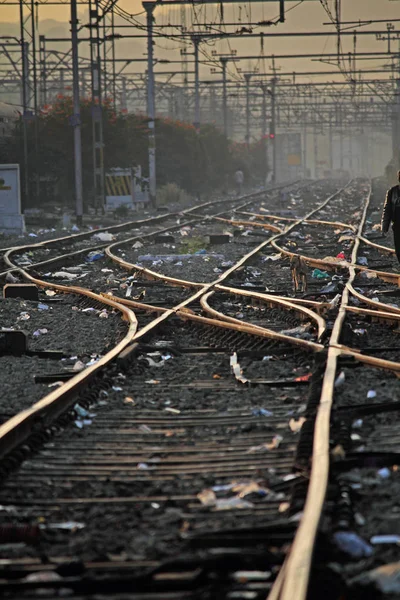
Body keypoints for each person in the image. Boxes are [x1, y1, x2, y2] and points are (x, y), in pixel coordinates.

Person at [381, 170, 400, 263]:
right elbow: (387, 210)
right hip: (397, 226)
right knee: (399, 249)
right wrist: (385, 227)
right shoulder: (392, 192)